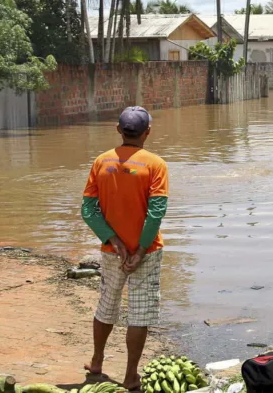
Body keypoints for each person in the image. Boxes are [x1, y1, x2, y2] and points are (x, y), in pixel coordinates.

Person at [82, 106, 169, 390]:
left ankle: (97, 362)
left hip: (112, 252)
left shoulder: (100, 162)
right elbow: (156, 212)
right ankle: (131, 375)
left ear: (119, 130)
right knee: (139, 313)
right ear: (147, 133)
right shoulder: (156, 164)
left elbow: (88, 210)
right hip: (147, 251)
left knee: (107, 305)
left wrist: (114, 241)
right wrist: (140, 250)